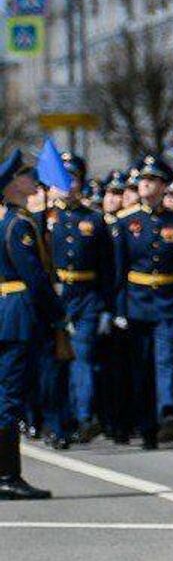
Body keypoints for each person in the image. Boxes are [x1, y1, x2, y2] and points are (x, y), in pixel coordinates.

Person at [115, 156, 173, 451]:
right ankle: (146, 425)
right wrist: (119, 310)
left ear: (164, 186)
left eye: (151, 181)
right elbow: (118, 272)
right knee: (141, 367)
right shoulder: (125, 222)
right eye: (142, 181)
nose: (145, 185)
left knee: (166, 361)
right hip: (137, 302)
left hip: (169, 301)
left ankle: (167, 412)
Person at [0, 150, 61, 501]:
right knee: (9, 398)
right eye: (25, 177)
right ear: (10, 185)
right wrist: (56, 313)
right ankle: (8, 475)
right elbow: (35, 279)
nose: (32, 182)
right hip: (15, 315)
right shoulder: (17, 224)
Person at [44, 159, 112, 450]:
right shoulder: (42, 218)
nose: (68, 185)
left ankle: (83, 417)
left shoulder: (95, 220)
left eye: (73, 179)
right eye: (62, 179)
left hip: (86, 296)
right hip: (55, 296)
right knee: (54, 363)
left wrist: (107, 307)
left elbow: (108, 267)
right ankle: (55, 421)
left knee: (81, 357)